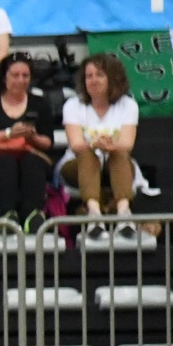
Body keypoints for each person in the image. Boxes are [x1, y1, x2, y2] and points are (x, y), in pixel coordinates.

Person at [60, 52, 141, 244]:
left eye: (99, 75)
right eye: (89, 76)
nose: (93, 80)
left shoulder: (128, 105)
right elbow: (76, 144)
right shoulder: (73, 105)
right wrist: (94, 144)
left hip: (113, 163)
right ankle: (94, 214)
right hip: (76, 165)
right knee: (86, 153)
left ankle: (124, 214)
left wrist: (110, 146)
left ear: (112, 78)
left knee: (119, 153)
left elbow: (127, 144)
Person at [0, 53, 54, 227]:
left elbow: (48, 142)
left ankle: (33, 215)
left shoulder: (40, 104)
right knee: (6, 163)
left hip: (30, 153)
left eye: (25, 76)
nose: (21, 80)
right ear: (4, 77)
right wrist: (8, 134)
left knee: (32, 161)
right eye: (15, 75)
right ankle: (7, 215)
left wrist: (33, 137)